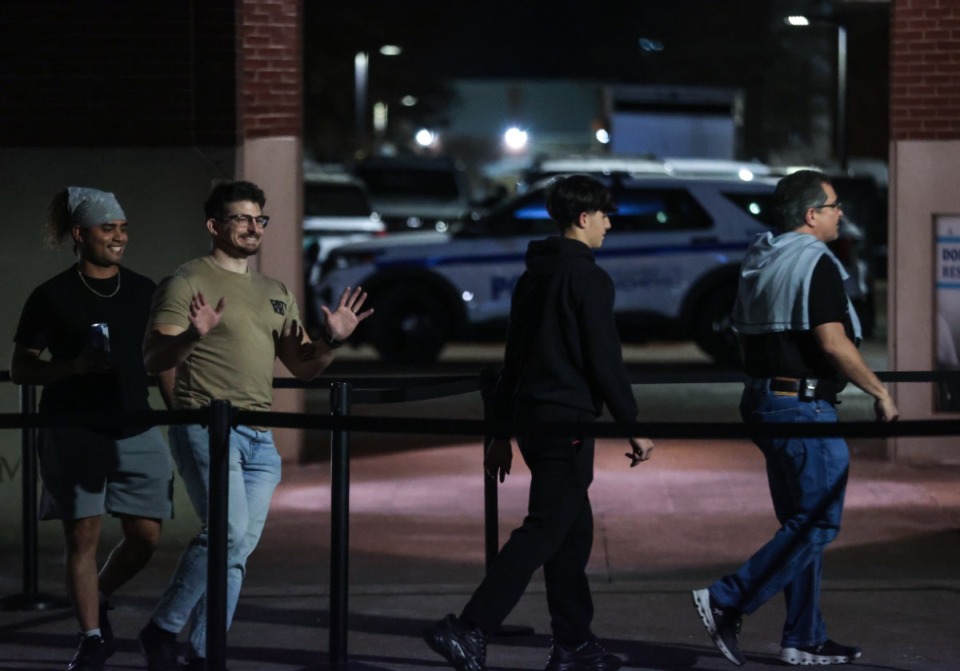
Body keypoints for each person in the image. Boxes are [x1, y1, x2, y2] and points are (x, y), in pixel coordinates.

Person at [423, 175, 654, 671]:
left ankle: (573, 642)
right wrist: (631, 422)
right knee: (547, 529)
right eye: (605, 215)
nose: (610, 224)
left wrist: (501, 430)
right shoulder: (588, 278)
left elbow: (514, 355)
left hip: (533, 418)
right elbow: (603, 359)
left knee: (572, 532)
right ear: (584, 218)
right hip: (566, 419)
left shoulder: (536, 275)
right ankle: (469, 627)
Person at [138, 180, 370, 671]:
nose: (252, 227)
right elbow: (154, 356)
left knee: (238, 546)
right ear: (214, 225)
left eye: (259, 219)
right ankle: (162, 627)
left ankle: (204, 651)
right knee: (227, 531)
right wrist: (191, 338)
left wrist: (331, 338)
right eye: (241, 218)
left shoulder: (274, 291)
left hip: (260, 437)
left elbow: (304, 365)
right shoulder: (185, 281)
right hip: (208, 425)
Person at [691, 169, 899, 666]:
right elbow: (833, 343)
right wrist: (880, 391)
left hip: (765, 400)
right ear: (811, 215)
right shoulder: (815, 263)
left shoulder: (760, 257)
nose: (840, 214)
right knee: (820, 521)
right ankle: (727, 598)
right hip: (802, 405)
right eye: (833, 206)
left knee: (801, 523)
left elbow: (743, 336)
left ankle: (803, 636)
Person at [10, 187, 175, 671]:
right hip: (73, 428)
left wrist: (183, 415)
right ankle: (91, 638)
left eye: (123, 228)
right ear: (80, 234)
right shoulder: (51, 295)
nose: (119, 237)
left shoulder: (144, 289)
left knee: (145, 536)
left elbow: (161, 361)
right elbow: (22, 369)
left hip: (137, 427)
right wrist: (73, 367)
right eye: (109, 228)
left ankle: (98, 594)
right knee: (82, 535)